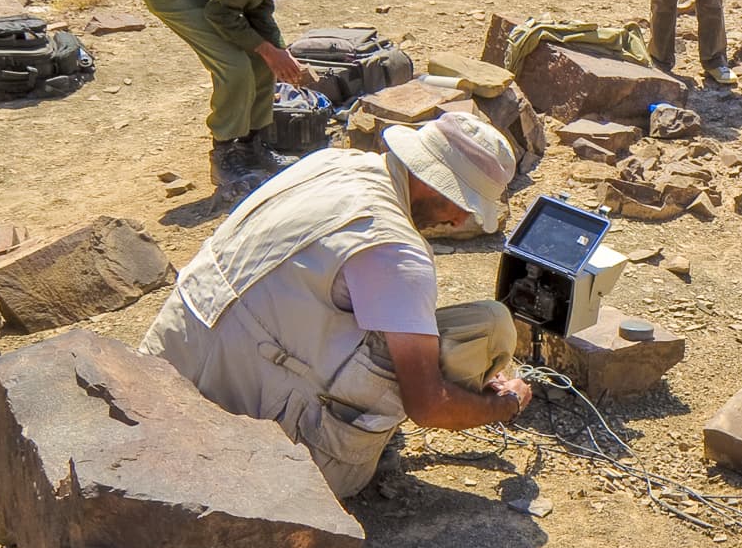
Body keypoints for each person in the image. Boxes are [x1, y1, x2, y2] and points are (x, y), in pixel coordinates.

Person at [140, 112, 533, 498]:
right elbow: (428, 405)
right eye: (463, 204)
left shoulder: (331, 162)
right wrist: (505, 405)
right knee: (488, 326)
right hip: (234, 431)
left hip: (160, 366)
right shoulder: (395, 250)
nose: (461, 219)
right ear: (436, 184)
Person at [139, 0, 377, 201]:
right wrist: (268, 50)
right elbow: (221, 12)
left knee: (265, 63)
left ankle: (254, 146)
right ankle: (225, 156)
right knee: (235, 67)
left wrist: (279, 51)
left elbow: (256, 7)